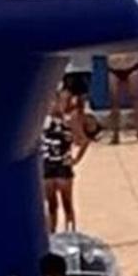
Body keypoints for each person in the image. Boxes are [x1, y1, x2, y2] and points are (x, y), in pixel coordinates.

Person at [43, 89, 90, 233]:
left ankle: (71, 233)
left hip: (63, 167)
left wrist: (76, 159)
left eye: (56, 102)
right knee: (51, 204)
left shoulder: (68, 122)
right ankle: (52, 234)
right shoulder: (42, 122)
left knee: (67, 203)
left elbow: (84, 140)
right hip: (47, 166)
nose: (53, 105)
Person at [107, 52, 138, 144]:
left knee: (136, 98)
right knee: (114, 101)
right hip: (114, 67)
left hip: (133, 64)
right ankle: (115, 134)